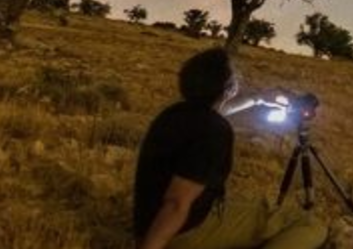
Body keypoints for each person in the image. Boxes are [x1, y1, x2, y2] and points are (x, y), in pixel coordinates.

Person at [133, 48, 329, 249]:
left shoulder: (173, 114)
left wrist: (258, 98)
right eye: (235, 74)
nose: (239, 78)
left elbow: (216, 111)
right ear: (228, 87)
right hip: (183, 231)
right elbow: (176, 202)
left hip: (151, 222)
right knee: (307, 224)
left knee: (255, 209)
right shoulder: (214, 131)